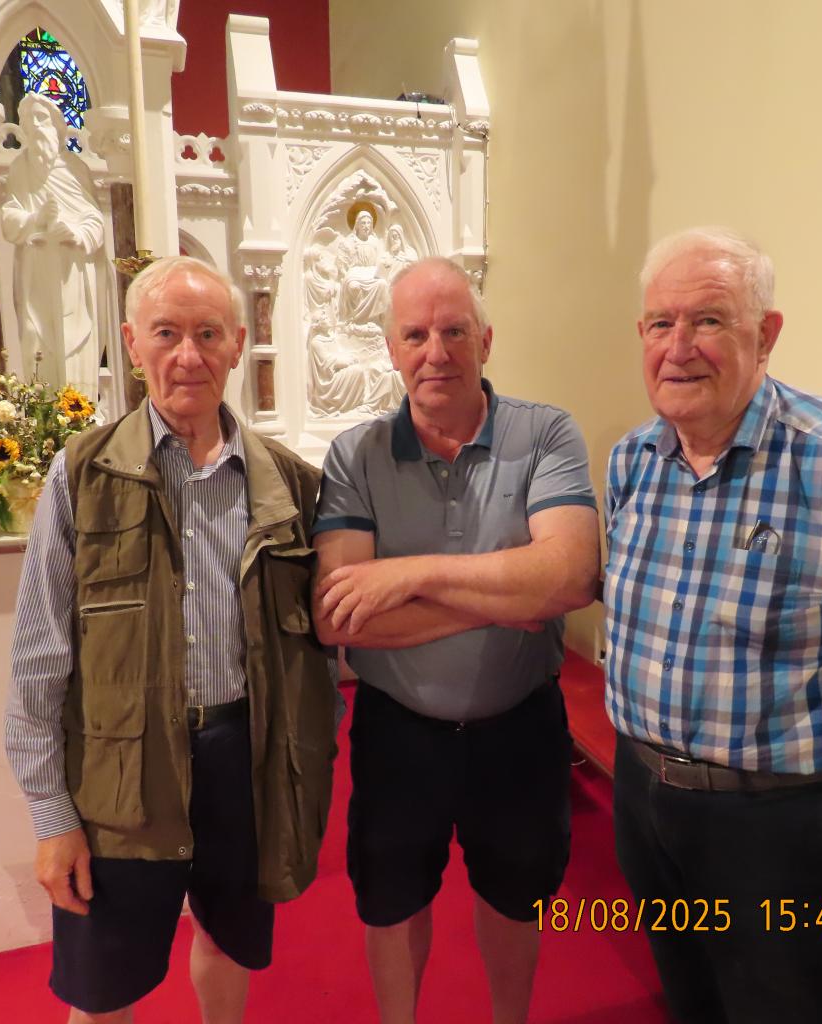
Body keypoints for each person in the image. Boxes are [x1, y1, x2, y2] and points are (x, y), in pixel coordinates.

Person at [603, 226, 822, 1024]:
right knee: (689, 1002)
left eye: (709, 320)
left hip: (787, 829)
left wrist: (811, 732)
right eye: (661, 323)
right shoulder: (632, 461)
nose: (679, 347)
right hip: (646, 799)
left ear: (766, 335)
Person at [5, 255, 338, 1023]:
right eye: (166, 333)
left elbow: (318, 652)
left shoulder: (289, 484)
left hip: (244, 761)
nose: (188, 355)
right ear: (132, 343)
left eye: (208, 334)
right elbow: (38, 657)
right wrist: (53, 816)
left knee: (228, 942)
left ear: (237, 344)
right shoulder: (81, 474)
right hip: (119, 774)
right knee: (103, 984)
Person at [312, 256, 599, 1024]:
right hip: (398, 733)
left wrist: (406, 577)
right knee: (391, 900)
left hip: (520, 728)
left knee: (516, 896)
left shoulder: (546, 432)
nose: (435, 352)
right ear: (391, 350)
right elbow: (340, 617)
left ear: (486, 340)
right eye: (415, 335)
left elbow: (570, 575)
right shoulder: (355, 455)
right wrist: (500, 600)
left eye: (454, 332)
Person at [2, 93, 112, 400]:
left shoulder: (75, 168)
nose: (35, 125)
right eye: (28, 120)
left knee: (76, 342)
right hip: (36, 270)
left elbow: (94, 219)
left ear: (56, 125)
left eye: (41, 118)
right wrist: (36, 218)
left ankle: (79, 412)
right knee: (37, 339)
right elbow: (9, 217)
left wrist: (75, 233)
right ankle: (44, 416)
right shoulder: (19, 169)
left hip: (72, 269)